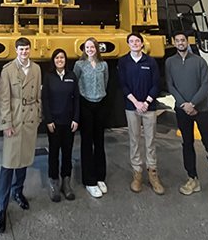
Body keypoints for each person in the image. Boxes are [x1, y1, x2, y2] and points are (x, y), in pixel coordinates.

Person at [165, 31, 208, 210]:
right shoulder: (170, 62)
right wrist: (183, 104)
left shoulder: (199, 62)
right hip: (182, 110)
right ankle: (192, 178)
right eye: (177, 40)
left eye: (183, 40)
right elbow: (170, 85)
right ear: (173, 43)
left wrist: (193, 103)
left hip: (201, 109)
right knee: (186, 143)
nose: (180, 43)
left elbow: (205, 85)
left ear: (187, 42)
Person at [0, 37, 42, 233]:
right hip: (14, 119)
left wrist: (38, 115)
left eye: (26, 49)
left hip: (30, 120)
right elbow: (4, 99)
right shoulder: (7, 70)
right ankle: (1, 208)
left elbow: (38, 94)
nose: (24, 52)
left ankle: (18, 192)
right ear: (16, 50)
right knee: (8, 164)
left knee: (24, 160)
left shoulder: (36, 69)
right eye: (21, 49)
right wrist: (6, 123)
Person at [117, 32, 165, 195]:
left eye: (137, 41)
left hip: (149, 108)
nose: (135, 43)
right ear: (128, 44)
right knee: (134, 140)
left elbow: (156, 84)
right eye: (131, 41)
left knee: (151, 141)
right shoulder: (124, 62)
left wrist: (146, 102)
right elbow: (122, 84)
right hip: (132, 107)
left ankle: (153, 173)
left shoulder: (150, 61)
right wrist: (136, 102)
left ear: (142, 43)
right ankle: (137, 173)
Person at [42, 48, 80, 202]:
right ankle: (54, 182)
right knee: (53, 153)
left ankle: (66, 182)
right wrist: (49, 120)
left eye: (62, 58)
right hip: (54, 123)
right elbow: (45, 99)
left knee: (67, 152)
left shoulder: (72, 76)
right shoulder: (49, 77)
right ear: (53, 60)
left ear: (66, 60)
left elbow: (76, 99)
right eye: (57, 58)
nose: (59, 60)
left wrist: (76, 119)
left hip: (69, 122)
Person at [74, 37, 109, 198]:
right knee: (87, 143)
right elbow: (75, 83)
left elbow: (106, 82)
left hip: (100, 105)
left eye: (92, 47)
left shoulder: (103, 65)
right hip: (86, 105)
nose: (90, 49)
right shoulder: (79, 65)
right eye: (87, 47)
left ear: (97, 48)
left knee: (100, 142)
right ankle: (89, 180)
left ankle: (100, 177)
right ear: (84, 49)